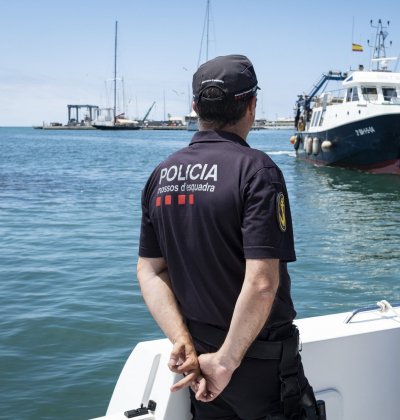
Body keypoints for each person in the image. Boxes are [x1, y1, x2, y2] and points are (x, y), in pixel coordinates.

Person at [137, 54, 320, 419]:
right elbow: (262, 282)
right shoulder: (258, 171)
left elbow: (150, 272)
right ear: (251, 105)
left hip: (199, 367)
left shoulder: (162, 175)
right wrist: (228, 360)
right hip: (259, 371)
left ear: (195, 107)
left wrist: (182, 341)